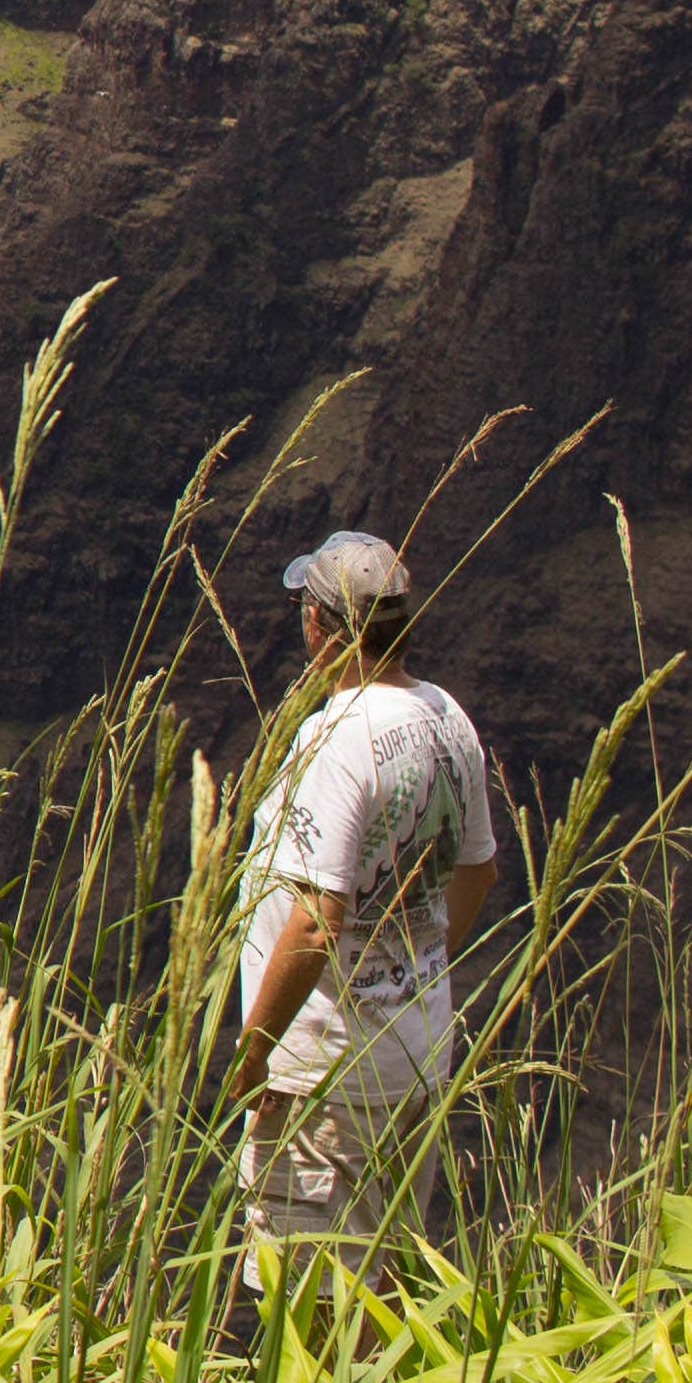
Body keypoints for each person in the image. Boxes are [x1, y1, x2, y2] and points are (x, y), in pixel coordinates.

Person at [223, 528, 501, 1300]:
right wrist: (408, 969)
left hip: (325, 1070)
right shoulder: (447, 717)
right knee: (381, 1277)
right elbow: (477, 870)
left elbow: (315, 922)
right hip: (415, 1046)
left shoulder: (336, 739)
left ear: (320, 625)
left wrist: (256, 1055)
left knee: (304, 1300)